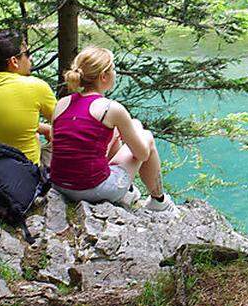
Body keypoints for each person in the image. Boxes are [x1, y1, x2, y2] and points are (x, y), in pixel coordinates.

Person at [49, 46, 171, 211]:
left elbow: (57, 142)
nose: (115, 72)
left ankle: (128, 191)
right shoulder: (110, 108)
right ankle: (159, 201)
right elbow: (142, 154)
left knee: (129, 126)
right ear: (103, 76)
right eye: (113, 69)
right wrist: (140, 138)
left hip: (59, 185)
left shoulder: (63, 103)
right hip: (92, 190)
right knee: (146, 136)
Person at [0, 30, 56, 165]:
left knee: (35, 135)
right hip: (24, 178)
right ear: (14, 61)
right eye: (27, 54)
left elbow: (4, 124)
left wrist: (42, 128)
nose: (30, 59)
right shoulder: (35, 86)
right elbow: (66, 125)